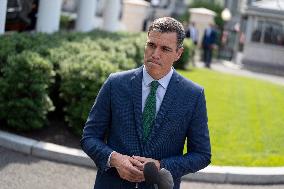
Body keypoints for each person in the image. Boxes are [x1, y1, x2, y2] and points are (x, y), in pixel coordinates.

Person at [81, 17, 211, 189]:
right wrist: (115, 159)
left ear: (178, 53)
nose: (155, 54)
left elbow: (201, 154)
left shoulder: (193, 95)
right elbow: (89, 137)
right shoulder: (115, 84)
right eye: (151, 45)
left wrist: (160, 166)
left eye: (165, 49)